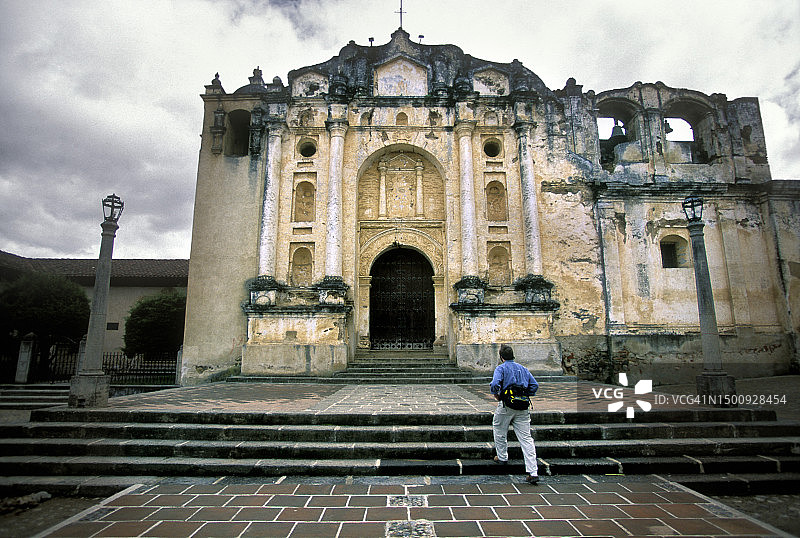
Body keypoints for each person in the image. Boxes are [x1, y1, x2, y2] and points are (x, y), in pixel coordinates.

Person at [490, 344, 540, 484]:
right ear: (513, 356)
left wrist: (497, 395)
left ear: (501, 357)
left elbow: (494, 383)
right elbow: (534, 386)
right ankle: (533, 471)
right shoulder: (523, 369)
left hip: (506, 405)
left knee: (499, 428)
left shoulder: (501, 368)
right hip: (523, 407)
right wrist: (524, 394)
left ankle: (502, 457)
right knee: (526, 438)